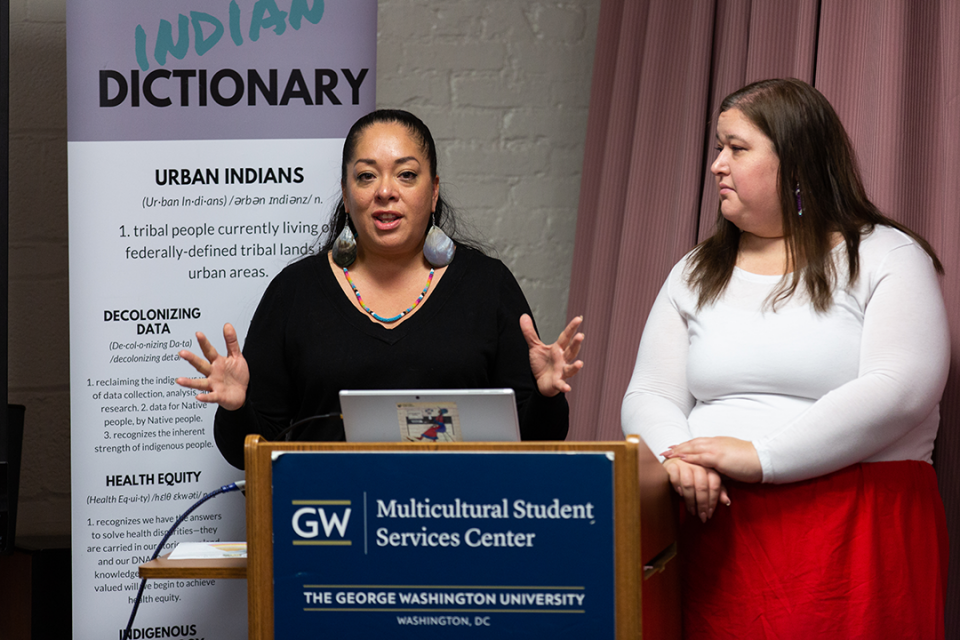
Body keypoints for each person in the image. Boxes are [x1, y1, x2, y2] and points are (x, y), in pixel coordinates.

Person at [621, 79, 949, 638]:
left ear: (795, 161)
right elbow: (650, 392)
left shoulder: (887, 255)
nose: (717, 165)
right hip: (712, 529)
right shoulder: (696, 269)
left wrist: (762, 455)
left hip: (849, 532)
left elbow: (901, 387)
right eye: (718, 148)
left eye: (737, 148)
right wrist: (679, 459)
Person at [177, 109, 584, 469]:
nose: (385, 191)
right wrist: (237, 407)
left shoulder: (488, 286)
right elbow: (247, 454)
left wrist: (548, 396)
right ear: (346, 192)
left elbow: (535, 445)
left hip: (461, 527)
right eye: (366, 175)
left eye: (406, 174)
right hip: (327, 533)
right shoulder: (294, 292)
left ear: (434, 190)